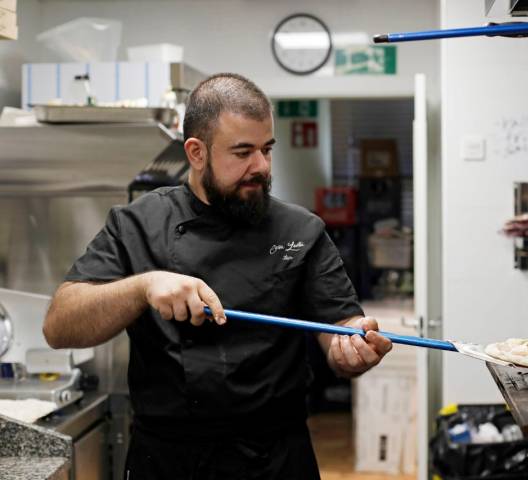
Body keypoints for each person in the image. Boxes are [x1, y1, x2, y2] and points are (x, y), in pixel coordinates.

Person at [43, 73, 393, 479]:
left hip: (275, 459)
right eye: (243, 152)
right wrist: (143, 286)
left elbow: (340, 328)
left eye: (267, 149)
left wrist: (351, 345)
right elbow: (59, 325)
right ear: (195, 152)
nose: (260, 166)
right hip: (168, 460)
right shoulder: (136, 224)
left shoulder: (301, 231)